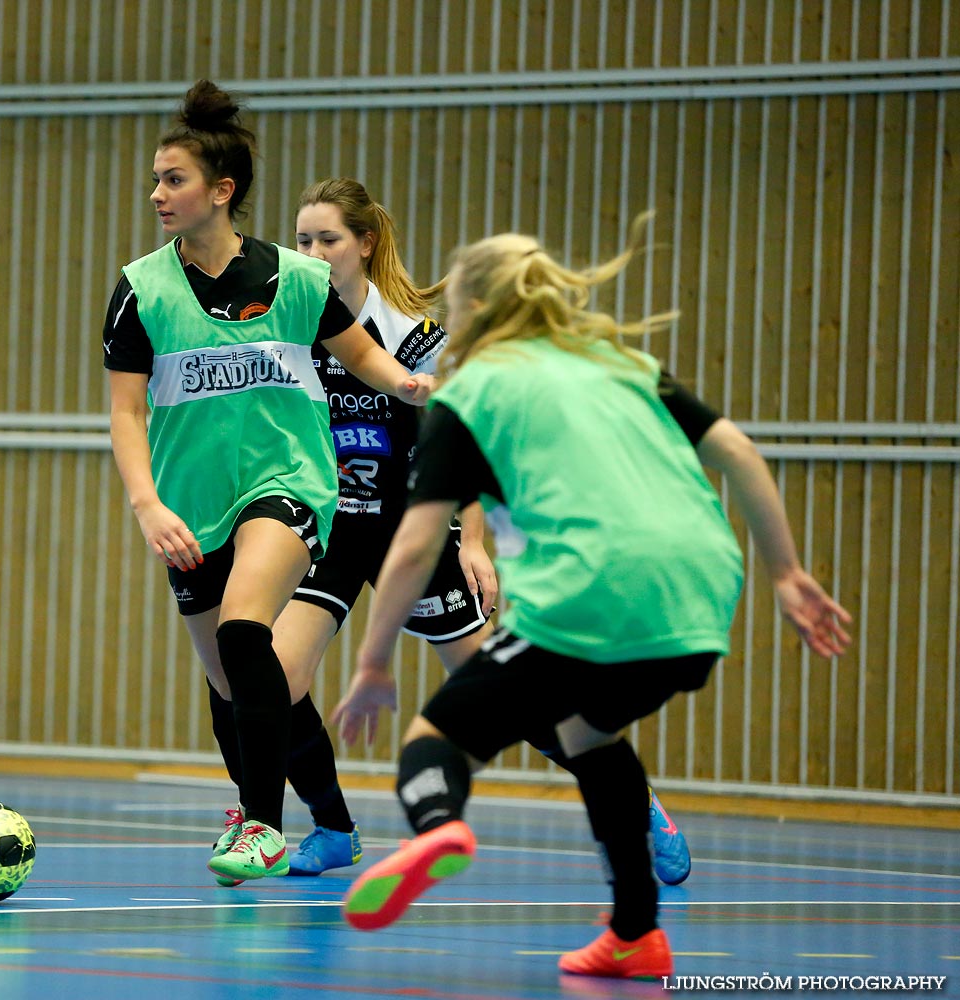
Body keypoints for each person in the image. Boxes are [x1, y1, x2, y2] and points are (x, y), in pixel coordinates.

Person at [332, 215, 852, 980]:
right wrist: (787, 573)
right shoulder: (620, 361)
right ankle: (636, 933)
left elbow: (414, 545)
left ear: (473, 311)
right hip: (703, 594)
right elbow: (737, 450)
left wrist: (373, 663)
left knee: (434, 739)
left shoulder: (471, 391)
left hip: (587, 591)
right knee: (586, 734)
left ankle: (438, 826)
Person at [270, 178, 694, 886]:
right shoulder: (290, 326)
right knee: (273, 678)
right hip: (336, 525)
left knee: (502, 692)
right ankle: (333, 827)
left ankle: (636, 800)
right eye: (302, 239)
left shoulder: (416, 336)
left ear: (365, 245)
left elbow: (462, 441)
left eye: (328, 239)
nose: (311, 252)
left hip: (418, 526)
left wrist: (473, 541)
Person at [101, 81, 434, 885]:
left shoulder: (298, 280)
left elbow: (364, 358)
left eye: (172, 179)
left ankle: (261, 824)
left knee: (248, 636)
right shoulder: (140, 289)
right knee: (230, 683)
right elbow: (125, 412)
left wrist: (414, 386)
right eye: (155, 180)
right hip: (189, 503)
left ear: (223, 191)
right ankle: (314, 818)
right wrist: (147, 503)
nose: (157, 194)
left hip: (288, 486)